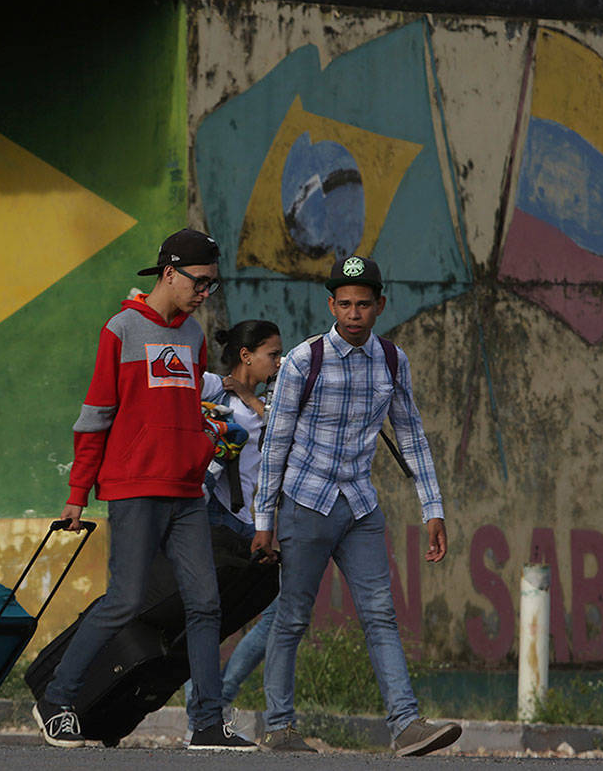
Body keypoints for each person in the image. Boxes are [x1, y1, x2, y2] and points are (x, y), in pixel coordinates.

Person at [33, 228, 256, 751]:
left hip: (186, 491)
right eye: (200, 283)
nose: (206, 293)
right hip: (134, 487)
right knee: (124, 601)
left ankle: (205, 722)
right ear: (170, 272)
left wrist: (201, 449)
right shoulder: (121, 329)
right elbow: (95, 416)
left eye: (212, 285)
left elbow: (194, 409)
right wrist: (76, 492)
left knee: (206, 604)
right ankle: (57, 701)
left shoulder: (195, 337)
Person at [250, 256, 461, 757]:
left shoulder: (392, 360)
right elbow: (275, 444)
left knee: (381, 614)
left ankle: (406, 725)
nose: (353, 313)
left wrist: (433, 508)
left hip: (360, 507)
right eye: (344, 304)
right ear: (331, 305)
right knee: (293, 617)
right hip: (305, 503)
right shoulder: (305, 360)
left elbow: (411, 434)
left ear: (379, 305)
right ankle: (279, 728)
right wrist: (264, 522)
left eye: (363, 304)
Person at [182, 320, 283, 743]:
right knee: (207, 614)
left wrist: (247, 395)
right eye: (272, 354)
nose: (279, 362)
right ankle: (203, 714)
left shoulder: (268, 401)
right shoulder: (212, 389)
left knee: (279, 612)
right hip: (216, 517)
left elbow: (285, 430)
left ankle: (216, 697)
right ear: (246, 356)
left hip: (252, 523)